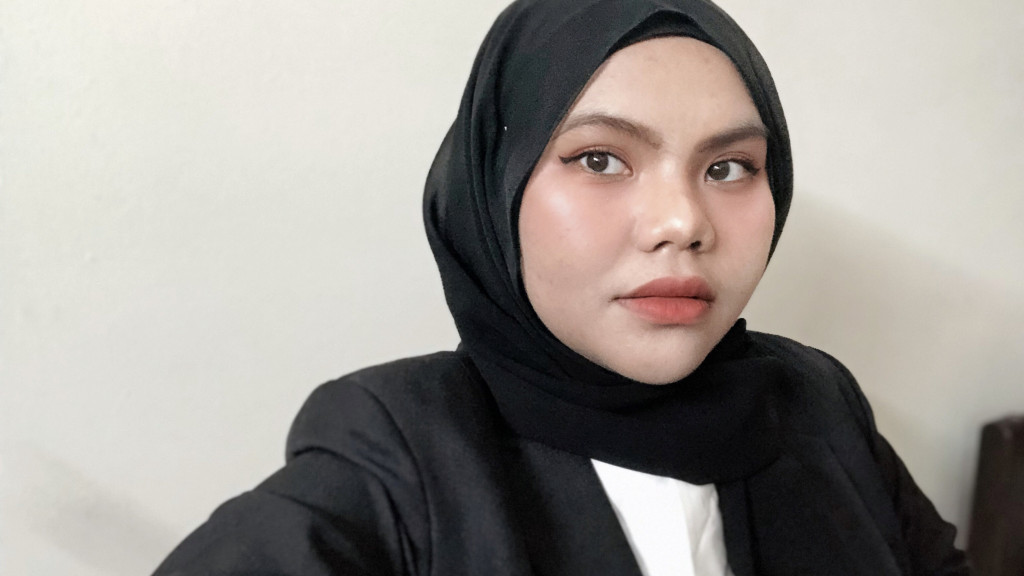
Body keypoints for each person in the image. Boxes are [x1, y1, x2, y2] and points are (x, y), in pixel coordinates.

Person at [153, 0, 970, 574]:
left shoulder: (814, 403)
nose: (682, 222)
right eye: (600, 159)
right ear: (494, 190)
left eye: (729, 168)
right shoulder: (394, 457)